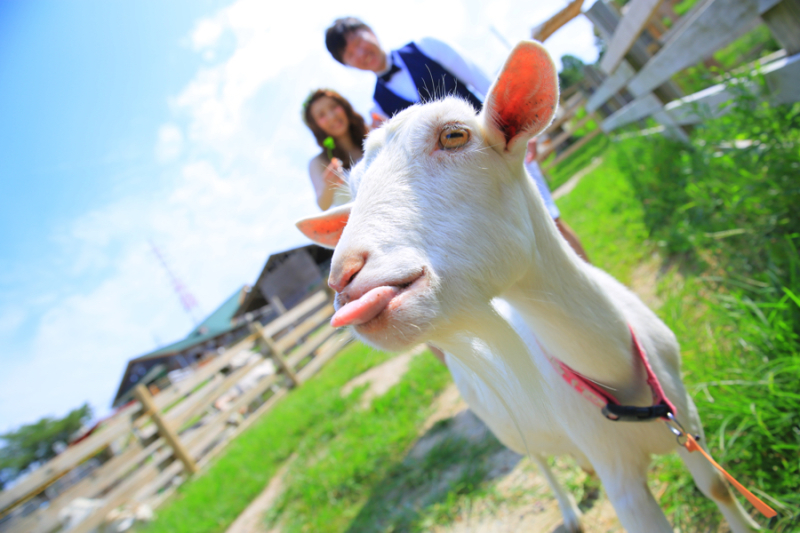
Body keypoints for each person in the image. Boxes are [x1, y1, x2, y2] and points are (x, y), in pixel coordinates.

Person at [324, 16, 589, 262]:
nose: (360, 53)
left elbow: (484, 81)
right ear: (348, 64)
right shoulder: (379, 107)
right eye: (350, 54)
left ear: (371, 32)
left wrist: (522, 127)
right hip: (464, 179)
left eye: (359, 42)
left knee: (549, 220)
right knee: (513, 241)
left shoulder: (427, 47)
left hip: (499, 145)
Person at [303, 88, 368, 210]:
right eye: (321, 115)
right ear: (316, 126)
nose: (331, 116)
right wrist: (328, 185)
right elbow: (323, 204)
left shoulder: (373, 134)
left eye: (333, 107)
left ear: (344, 107)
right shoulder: (319, 163)